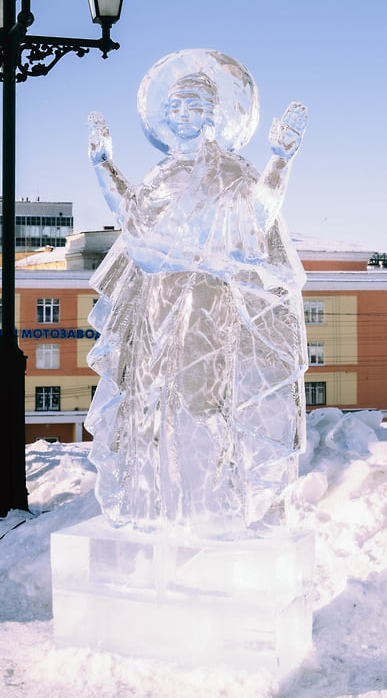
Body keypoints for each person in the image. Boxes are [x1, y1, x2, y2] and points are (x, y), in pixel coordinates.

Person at [85, 49, 308, 537]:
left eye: (194, 107)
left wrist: (279, 161)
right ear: (164, 117)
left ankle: (212, 511)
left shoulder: (231, 171)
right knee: (150, 403)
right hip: (156, 302)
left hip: (206, 301)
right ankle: (154, 508)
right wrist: (105, 165)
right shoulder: (159, 175)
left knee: (203, 404)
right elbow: (133, 222)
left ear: (214, 114)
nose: (184, 116)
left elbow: (255, 219)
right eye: (176, 108)